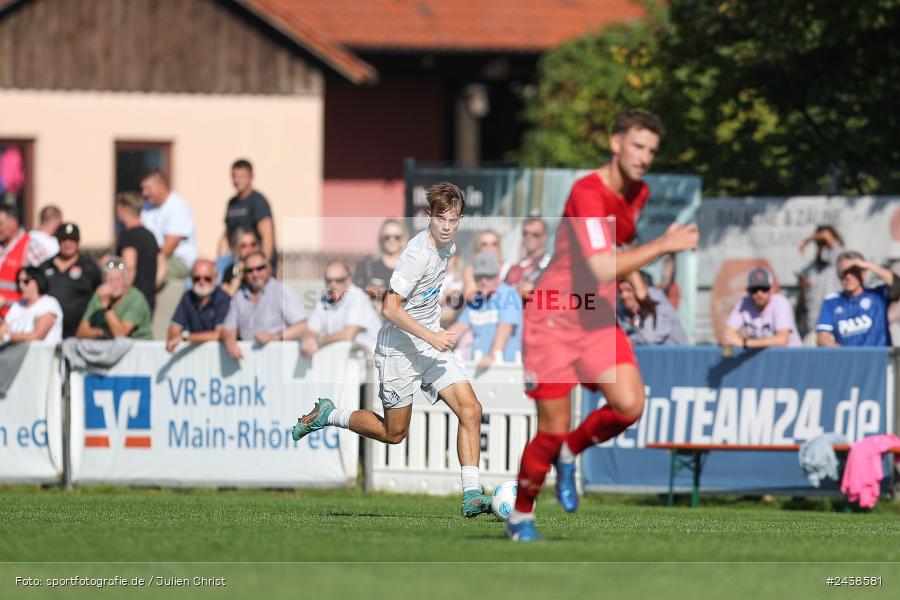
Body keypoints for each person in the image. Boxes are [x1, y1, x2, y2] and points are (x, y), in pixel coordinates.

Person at [509, 109, 699, 541]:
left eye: (651, 150)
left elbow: (620, 243)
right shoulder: (586, 192)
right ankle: (520, 515)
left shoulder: (639, 192)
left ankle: (571, 451)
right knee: (550, 427)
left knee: (630, 405)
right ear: (615, 143)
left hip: (594, 317)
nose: (644, 157)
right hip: (553, 318)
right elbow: (597, 265)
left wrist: (636, 281)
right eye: (637, 146)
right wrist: (666, 245)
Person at [292, 182, 495, 519]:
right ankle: (329, 414)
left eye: (454, 220)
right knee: (394, 433)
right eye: (442, 219)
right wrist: (431, 336)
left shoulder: (448, 246)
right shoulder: (417, 256)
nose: (448, 226)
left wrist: (437, 329)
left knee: (471, 410)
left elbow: (426, 299)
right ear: (429, 217)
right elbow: (389, 308)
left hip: (429, 347)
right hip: (399, 350)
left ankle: (472, 494)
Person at [220, 251, 307, 359]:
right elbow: (229, 328)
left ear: (269, 268)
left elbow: (302, 326)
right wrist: (231, 344)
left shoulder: (281, 292)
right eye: (249, 270)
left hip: (279, 362)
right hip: (250, 365)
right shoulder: (240, 296)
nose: (255, 274)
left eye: (259, 268)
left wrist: (276, 337)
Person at [449, 252, 522, 366]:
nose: (483, 281)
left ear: (498, 276)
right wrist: (433, 343)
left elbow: (505, 329)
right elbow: (457, 329)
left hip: (503, 367)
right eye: (479, 277)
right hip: (478, 366)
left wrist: (492, 356)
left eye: (488, 276)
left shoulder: (508, 294)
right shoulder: (476, 300)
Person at [816, 251, 900, 347]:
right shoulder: (832, 302)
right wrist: (844, 353)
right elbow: (822, 337)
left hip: (880, 358)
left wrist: (869, 266)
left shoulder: (878, 294)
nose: (848, 276)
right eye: (843, 272)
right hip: (851, 360)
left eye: (853, 271)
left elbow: (897, 285)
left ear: (863, 272)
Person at [301, 261, 382, 358]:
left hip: (370, 363)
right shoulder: (324, 301)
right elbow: (310, 330)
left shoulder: (358, 297)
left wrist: (318, 341)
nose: (333, 284)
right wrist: (307, 340)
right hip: (345, 362)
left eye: (339, 280)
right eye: (329, 280)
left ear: (349, 280)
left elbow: (348, 335)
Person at [39, 223, 102, 338]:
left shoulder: (90, 268)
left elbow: (99, 297)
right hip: (48, 333)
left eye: (72, 239)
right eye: (64, 239)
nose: (68, 243)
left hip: (78, 334)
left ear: (78, 241)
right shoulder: (44, 267)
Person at [139, 169, 197, 286]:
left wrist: (146, 260)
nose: (144, 193)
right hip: (153, 258)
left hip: (177, 260)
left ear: (162, 186)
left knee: (145, 273)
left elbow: (169, 247)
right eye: (143, 189)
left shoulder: (177, 206)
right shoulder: (147, 207)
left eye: (148, 189)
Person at [722, 268, 802, 348]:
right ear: (748, 290)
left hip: (790, 356)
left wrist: (745, 343)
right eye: (754, 289)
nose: (759, 294)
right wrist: (731, 340)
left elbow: (782, 339)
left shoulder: (780, 303)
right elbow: (728, 333)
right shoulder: (744, 303)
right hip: (763, 356)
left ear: (771, 289)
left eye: (764, 289)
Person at [219, 159, 277, 271]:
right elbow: (226, 236)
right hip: (237, 261)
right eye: (234, 176)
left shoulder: (258, 201)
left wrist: (262, 265)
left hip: (254, 265)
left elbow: (267, 236)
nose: (237, 180)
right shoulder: (232, 202)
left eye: (242, 176)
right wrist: (220, 262)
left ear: (251, 177)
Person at [76, 257, 152, 340]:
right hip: (109, 347)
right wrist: (102, 332)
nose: (114, 284)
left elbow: (120, 334)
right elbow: (81, 332)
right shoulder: (99, 295)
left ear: (125, 281)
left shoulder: (136, 298)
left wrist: (106, 305)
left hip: (138, 347)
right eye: (110, 280)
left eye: (118, 280)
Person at [166, 259, 231, 353]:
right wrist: (177, 337)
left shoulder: (223, 298)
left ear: (215, 277)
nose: (201, 282)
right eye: (196, 278)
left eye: (207, 278)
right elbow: (173, 329)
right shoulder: (188, 297)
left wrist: (185, 338)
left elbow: (220, 334)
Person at [797, 225, 843, 343]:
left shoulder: (837, 261)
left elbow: (830, 240)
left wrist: (806, 240)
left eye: (823, 243)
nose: (821, 246)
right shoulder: (811, 269)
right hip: (812, 327)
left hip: (833, 328)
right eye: (818, 243)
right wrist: (803, 288)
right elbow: (805, 302)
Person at [114, 192, 159, 312]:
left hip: (132, 300)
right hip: (148, 299)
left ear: (123, 209)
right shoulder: (150, 236)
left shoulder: (128, 236)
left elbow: (129, 266)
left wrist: (123, 297)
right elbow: (162, 265)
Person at [617, 275, 688, 346]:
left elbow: (650, 337)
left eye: (629, 290)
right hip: (645, 354)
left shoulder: (655, 299)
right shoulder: (622, 306)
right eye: (621, 291)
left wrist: (626, 340)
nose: (624, 295)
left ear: (643, 288)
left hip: (675, 354)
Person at [0, 266, 63, 344]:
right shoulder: (17, 305)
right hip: (15, 354)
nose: (21, 285)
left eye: (26, 281)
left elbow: (37, 336)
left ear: (38, 281)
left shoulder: (49, 303)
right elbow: (2, 331)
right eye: (18, 281)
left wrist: (8, 336)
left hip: (41, 355)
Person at [0, 203, 45, 312]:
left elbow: (39, 289)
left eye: (0, 223)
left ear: (14, 222)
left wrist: (8, 302)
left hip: (16, 317)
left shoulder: (30, 247)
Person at [354, 219, 407, 300]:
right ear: (381, 238)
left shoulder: (412, 267)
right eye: (387, 237)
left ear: (403, 239)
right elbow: (355, 293)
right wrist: (367, 291)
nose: (391, 241)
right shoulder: (367, 265)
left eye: (397, 237)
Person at [504, 217, 551, 300]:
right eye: (525, 233)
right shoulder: (513, 268)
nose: (529, 237)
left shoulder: (550, 264)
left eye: (535, 234)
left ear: (544, 237)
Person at [462, 229, 512, 303]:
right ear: (477, 248)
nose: (489, 248)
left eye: (494, 244)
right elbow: (471, 298)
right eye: (484, 244)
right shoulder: (471, 270)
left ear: (499, 247)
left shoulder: (509, 268)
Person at [220, 227, 259, 297]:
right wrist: (239, 275)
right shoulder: (231, 270)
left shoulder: (262, 268)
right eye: (244, 246)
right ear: (236, 248)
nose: (249, 249)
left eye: (252, 244)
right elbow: (228, 294)